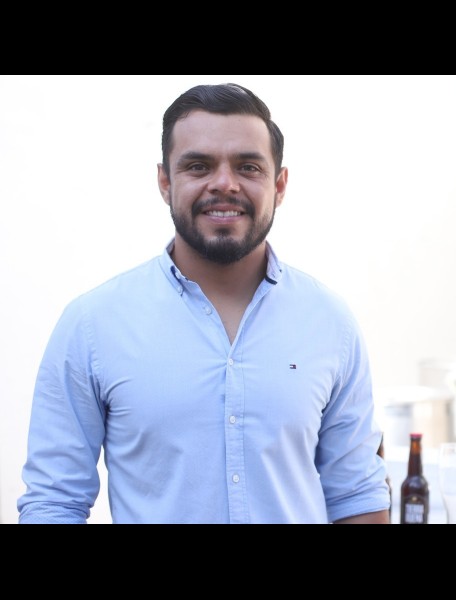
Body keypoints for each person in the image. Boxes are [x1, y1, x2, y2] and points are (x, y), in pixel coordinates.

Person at [17, 82, 391, 524]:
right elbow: (54, 502)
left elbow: (356, 495)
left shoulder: (330, 323)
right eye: (198, 166)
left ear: (280, 184)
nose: (224, 184)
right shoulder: (92, 325)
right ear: (165, 182)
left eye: (248, 167)